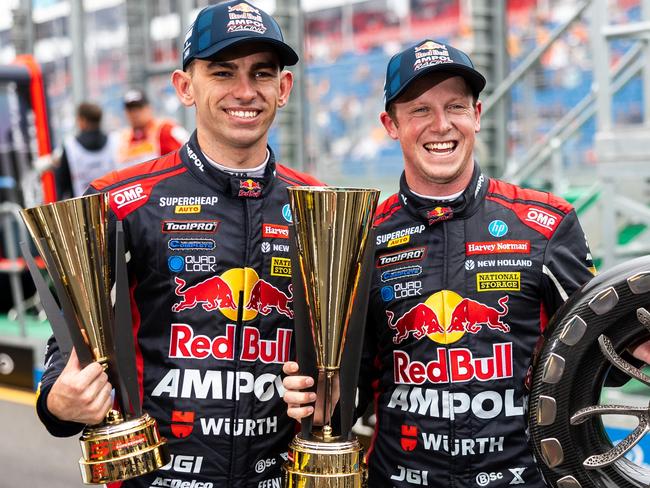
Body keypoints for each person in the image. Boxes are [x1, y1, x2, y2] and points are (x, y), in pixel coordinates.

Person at [282, 39, 650, 487]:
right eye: (419, 110)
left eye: (455, 106)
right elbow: (350, 390)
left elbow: (597, 359)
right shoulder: (363, 237)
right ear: (390, 124)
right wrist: (319, 396)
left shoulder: (545, 223)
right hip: (399, 479)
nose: (441, 125)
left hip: (523, 479)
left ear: (476, 115)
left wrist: (635, 341)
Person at [35, 2, 322, 487]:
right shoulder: (123, 199)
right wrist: (57, 401)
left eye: (262, 73)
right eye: (223, 72)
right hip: (156, 476)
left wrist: (334, 394)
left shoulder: (321, 208)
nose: (245, 91)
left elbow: (348, 352)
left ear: (284, 88)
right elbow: (71, 330)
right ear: (185, 87)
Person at [54, 102, 117, 199]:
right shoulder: (114, 141)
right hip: (113, 205)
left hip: (82, 210)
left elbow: (61, 185)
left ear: (82, 121)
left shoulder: (71, 146)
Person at [116, 88, 189, 166]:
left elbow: (187, 156)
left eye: (139, 108)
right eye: (130, 110)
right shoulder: (121, 138)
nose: (135, 114)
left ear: (149, 108)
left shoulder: (166, 129)